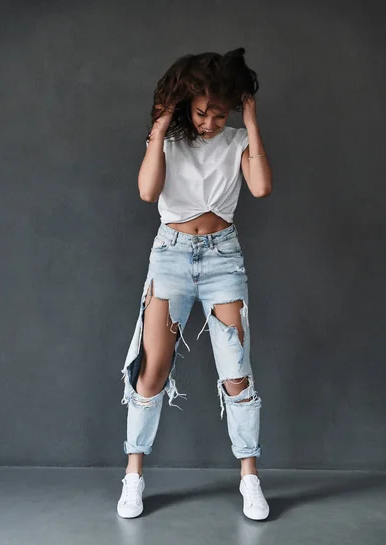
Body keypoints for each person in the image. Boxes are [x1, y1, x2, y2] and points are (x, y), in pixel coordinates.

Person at [117, 48, 272, 520]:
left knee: (236, 372)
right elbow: (147, 192)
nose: (208, 122)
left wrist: (250, 118)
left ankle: (250, 479)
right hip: (171, 258)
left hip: (224, 258)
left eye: (218, 113)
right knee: (151, 371)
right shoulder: (169, 139)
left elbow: (261, 187)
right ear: (187, 105)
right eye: (201, 112)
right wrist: (161, 125)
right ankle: (133, 477)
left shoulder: (237, 139)